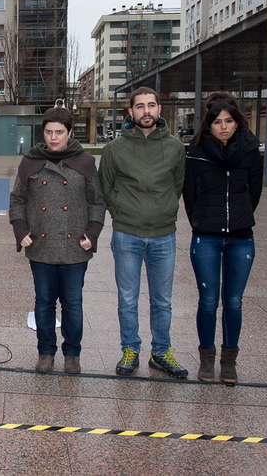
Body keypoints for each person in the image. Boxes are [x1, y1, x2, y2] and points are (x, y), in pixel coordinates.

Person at [99, 86, 188, 378]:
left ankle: (161, 352)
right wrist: (122, 213)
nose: (146, 111)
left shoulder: (175, 147)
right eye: (140, 106)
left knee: (162, 299)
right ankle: (130, 349)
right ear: (131, 112)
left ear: (159, 110)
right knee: (127, 298)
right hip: (127, 234)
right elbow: (107, 189)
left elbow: (177, 186)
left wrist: (163, 211)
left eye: (151, 105)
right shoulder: (115, 148)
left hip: (164, 235)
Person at [9, 107, 106, 374]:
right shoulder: (31, 161)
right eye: (49, 132)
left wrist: (92, 233)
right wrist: (21, 229)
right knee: (44, 302)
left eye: (59, 132)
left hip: (75, 245)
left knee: (73, 303)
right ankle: (46, 352)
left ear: (70, 133)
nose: (54, 138)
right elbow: (18, 198)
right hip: (41, 245)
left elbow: (97, 201)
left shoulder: (85, 161)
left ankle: (72, 354)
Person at [183, 92, 263, 383]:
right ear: (209, 124)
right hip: (207, 237)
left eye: (229, 121)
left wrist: (238, 217)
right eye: (218, 121)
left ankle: (229, 361)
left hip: (241, 238)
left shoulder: (250, 150)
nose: (224, 126)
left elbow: (254, 193)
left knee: (233, 301)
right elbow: (189, 195)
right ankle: (206, 358)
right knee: (207, 301)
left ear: (237, 122)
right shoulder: (195, 151)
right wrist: (204, 221)